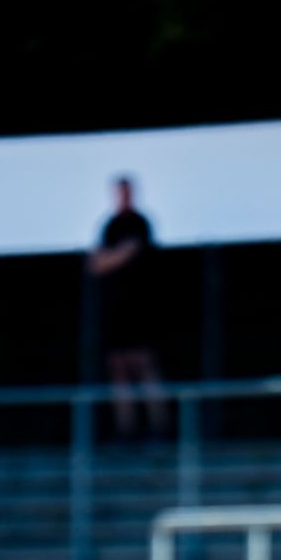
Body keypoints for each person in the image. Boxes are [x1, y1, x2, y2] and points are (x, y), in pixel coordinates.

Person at [87, 175, 166, 437]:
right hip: (115, 310)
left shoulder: (140, 223)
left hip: (140, 308)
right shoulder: (110, 225)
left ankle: (158, 429)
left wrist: (113, 257)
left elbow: (125, 254)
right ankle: (126, 432)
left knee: (145, 367)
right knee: (118, 370)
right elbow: (96, 264)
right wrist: (114, 256)